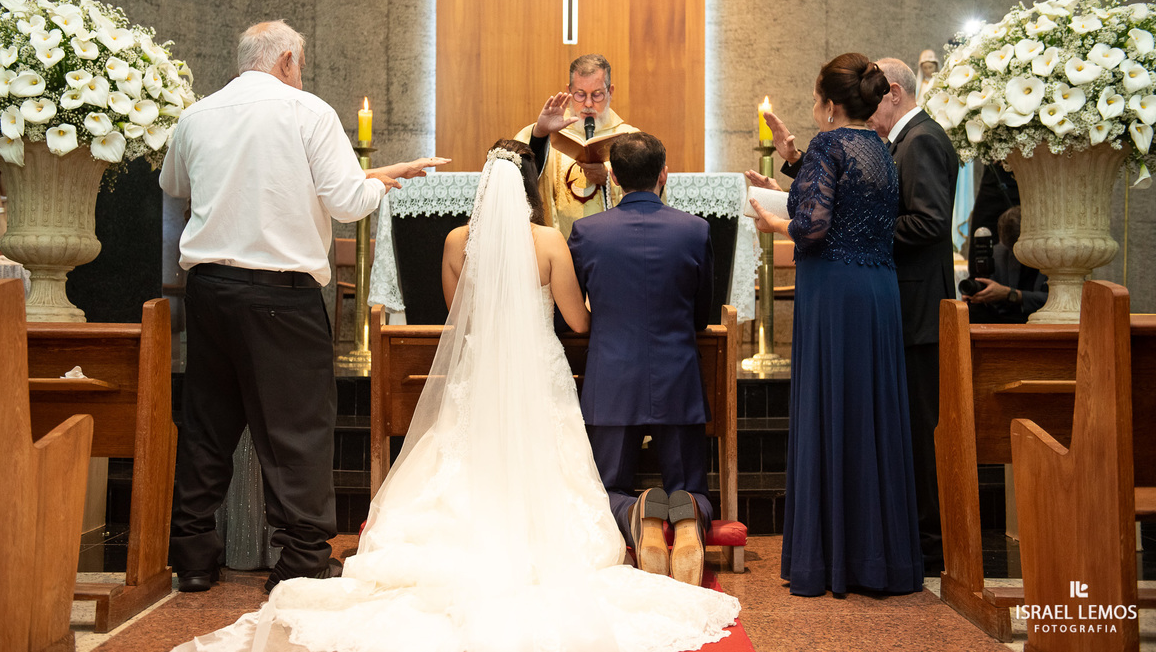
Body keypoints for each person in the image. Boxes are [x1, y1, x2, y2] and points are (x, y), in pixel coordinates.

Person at [171, 139, 740, 652]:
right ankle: (676, 512)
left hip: (476, 373)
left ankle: (613, 517)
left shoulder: (453, 241)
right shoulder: (548, 242)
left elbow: (458, 317)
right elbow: (578, 323)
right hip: (544, 374)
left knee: (460, 465)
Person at [159, 19, 447, 594]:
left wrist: (369, 176)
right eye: (302, 63)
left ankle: (192, 558)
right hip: (279, 298)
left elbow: (178, 186)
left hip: (210, 291)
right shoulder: (307, 111)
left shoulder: (196, 115)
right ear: (288, 59)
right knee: (298, 426)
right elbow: (345, 203)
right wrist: (377, 187)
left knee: (207, 425)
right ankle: (301, 559)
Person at [748, 53, 923, 597]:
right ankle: (878, 557)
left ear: (827, 102)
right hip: (877, 288)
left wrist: (774, 219)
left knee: (831, 408)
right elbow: (852, 206)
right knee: (871, 411)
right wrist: (793, 158)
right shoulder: (881, 147)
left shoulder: (831, 145)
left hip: (833, 288)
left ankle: (828, 558)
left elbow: (816, 226)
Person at [567, 132, 715, 587]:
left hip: (611, 380)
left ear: (612, 175)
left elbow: (575, 305)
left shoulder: (587, 232)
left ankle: (635, 512)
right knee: (692, 484)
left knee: (604, 487)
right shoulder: (696, 229)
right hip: (678, 378)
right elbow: (703, 313)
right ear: (663, 173)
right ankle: (687, 514)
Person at [867, 57, 959, 576]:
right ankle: (919, 539)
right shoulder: (904, 140)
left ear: (894, 92)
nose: (867, 104)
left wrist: (867, 232)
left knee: (925, 434)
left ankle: (933, 547)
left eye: (872, 93)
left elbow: (929, 221)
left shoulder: (920, 140)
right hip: (910, 306)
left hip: (920, 310)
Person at [516, 54, 639, 237]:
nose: (588, 104)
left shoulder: (631, 139)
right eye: (580, 94)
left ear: (610, 91)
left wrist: (607, 179)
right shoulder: (547, 131)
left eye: (597, 95)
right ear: (569, 90)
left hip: (610, 245)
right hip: (557, 249)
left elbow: (646, 194)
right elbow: (517, 175)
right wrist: (539, 135)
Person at [962, 207, 1048, 323]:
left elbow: (1057, 301)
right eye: (1012, 250)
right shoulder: (1000, 253)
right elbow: (989, 289)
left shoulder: (1055, 256)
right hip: (1005, 320)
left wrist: (1011, 294)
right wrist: (978, 294)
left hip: (1043, 321)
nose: (1016, 255)